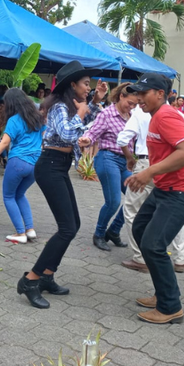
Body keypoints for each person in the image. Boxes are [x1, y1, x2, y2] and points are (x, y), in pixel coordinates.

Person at [17, 61, 102, 309]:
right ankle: (30, 280)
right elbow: (66, 135)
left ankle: (47, 275)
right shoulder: (57, 108)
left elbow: (96, 119)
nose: (89, 87)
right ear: (72, 84)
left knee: (73, 225)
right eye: (86, 84)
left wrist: (95, 102)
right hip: (49, 166)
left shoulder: (74, 107)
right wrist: (82, 114)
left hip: (60, 166)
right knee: (66, 227)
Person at [123, 73, 184, 324]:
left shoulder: (166, 115)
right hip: (165, 189)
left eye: (143, 93)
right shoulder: (155, 116)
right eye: (136, 93)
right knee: (141, 230)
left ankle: (170, 308)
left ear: (160, 93)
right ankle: (163, 293)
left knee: (153, 245)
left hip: (181, 192)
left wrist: (148, 172)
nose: (138, 99)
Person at [118, 89, 184, 274]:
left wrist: (129, 158)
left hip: (146, 165)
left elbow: (123, 138)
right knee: (174, 215)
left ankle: (140, 258)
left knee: (132, 210)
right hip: (170, 167)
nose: (140, 98)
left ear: (159, 93)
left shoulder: (140, 113)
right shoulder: (179, 114)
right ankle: (180, 258)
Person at [0, 89, 41, 243]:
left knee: (9, 196)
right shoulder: (38, 118)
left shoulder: (14, 120)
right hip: (35, 164)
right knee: (20, 194)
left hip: (18, 161)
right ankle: (30, 230)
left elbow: (4, 142)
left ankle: (20, 233)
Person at [77, 83, 137, 252]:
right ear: (121, 97)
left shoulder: (132, 115)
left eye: (134, 104)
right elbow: (92, 133)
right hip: (107, 158)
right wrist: (86, 140)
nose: (131, 107)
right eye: (129, 103)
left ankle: (114, 231)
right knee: (113, 202)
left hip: (126, 161)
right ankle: (99, 234)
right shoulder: (107, 114)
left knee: (135, 198)